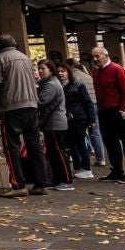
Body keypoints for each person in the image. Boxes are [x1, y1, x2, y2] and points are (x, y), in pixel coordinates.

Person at [0, 36, 48, 196]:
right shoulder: (26, 58)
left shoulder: (0, 59)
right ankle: (41, 184)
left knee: (11, 147)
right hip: (32, 106)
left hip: (12, 107)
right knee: (34, 146)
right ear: (15, 44)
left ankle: (18, 185)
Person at [91, 44, 125, 184]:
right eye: (93, 56)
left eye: (97, 55)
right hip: (104, 111)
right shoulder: (97, 72)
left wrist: (123, 110)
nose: (95, 59)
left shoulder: (117, 69)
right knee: (110, 142)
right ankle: (117, 170)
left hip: (118, 111)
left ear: (106, 56)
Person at [35, 59, 74, 190]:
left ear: (51, 70)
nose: (40, 71)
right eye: (39, 68)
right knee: (53, 152)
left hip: (55, 123)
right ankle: (58, 179)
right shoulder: (47, 83)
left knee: (58, 152)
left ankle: (66, 180)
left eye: (43, 68)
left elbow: (41, 102)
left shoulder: (51, 85)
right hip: (51, 123)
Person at [59, 61, 96, 179]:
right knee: (71, 144)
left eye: (63, 71)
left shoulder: (77, 85)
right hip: (67, 119)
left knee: (80, 143)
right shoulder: (59, 86)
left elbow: (87, 101)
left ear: (68, 72)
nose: (60, 73)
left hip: (79, 119)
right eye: (58, 71)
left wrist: (91, 119)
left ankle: (86, 168)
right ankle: (78, 167)